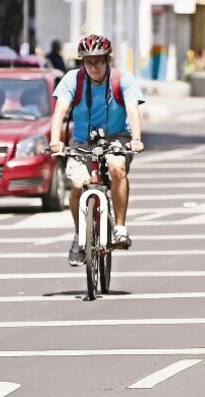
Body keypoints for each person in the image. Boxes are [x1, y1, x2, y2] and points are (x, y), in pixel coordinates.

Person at [48, 34, 145, 265]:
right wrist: (55, 140)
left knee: (117, 168)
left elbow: (133, 110)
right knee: (78, 185)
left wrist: (136, 138)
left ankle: (120, 227)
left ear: (108, 60)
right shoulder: (73, 79)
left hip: (117, 137)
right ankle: (79, 234)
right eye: (88, 61)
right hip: (82, 141)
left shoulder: (123, 80)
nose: (93, 67)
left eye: (98, 61)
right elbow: (59, 110)